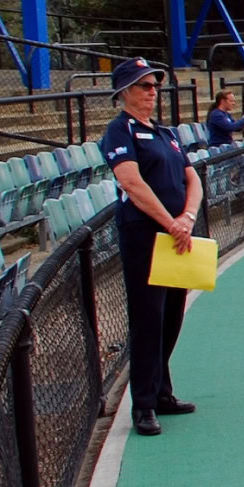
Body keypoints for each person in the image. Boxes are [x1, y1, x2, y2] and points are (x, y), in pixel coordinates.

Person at [100, 58, 201, 436]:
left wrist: (187, 218)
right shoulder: (119, 130)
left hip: (178, 236)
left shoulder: (165, 133)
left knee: (172, 315)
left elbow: (192, 178)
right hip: (146, 236)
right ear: (124, 91)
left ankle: (161, 392)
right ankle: (142, 403)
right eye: (143, 86)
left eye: (154, 85)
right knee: (148, 319)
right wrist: (169, 222)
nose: (151, 92)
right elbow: (131, 182)